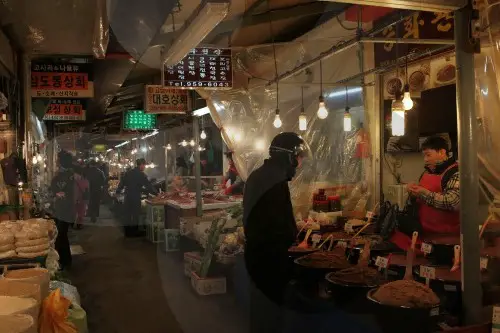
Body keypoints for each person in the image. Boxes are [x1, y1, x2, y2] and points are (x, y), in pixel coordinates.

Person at [243, 132, 308, 333]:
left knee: (262, 313)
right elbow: (279, 226)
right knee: (269, 315)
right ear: (288, 157)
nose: (298, 164)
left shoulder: (262, 175)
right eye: (297, 158)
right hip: (270, 260)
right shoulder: (273, 181)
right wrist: (296, 243)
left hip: (259, 257)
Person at [391, 135, 460, 250]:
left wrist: (424, 193)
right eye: (424, 156)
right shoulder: (426, 172)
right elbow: (422, 199)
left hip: (448, 241)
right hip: (425, 235)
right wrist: (413, 193)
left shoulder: (455, 173)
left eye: (428, 155)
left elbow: (452, 202)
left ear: (442, 152)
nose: (425, 159)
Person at [116, 158, 157, 237]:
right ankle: (134, 232)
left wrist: (118, 191)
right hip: (135, 196)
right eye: (144, 165)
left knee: (127, 214)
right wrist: (156, 193)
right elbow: (148, 185)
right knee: (135, 214)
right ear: (141, 165)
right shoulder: (141, 175)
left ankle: (127, 232)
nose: (144, 167)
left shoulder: (128, 173)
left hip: (127, 196)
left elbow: (122, 183)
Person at [49, 150, 76, 270]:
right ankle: (65, 260)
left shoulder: (66, 176)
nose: (57, 162)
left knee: (61, 234)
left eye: (58, 160)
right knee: (62, 234)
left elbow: (56, 188)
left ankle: (64, 261)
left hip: (65, 209)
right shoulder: (68, 175)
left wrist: (58, 194)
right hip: (65, 209)